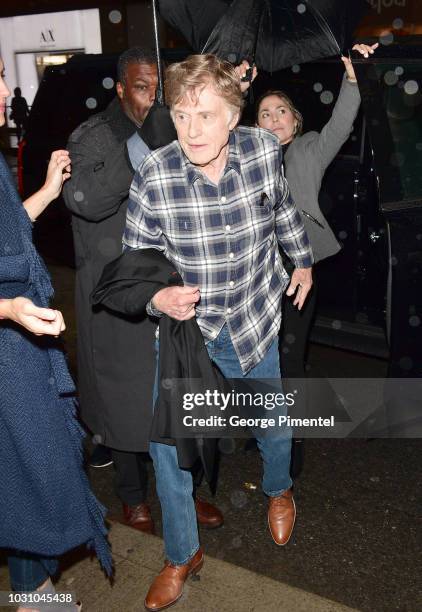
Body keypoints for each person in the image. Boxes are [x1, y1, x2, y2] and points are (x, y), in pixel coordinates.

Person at [123, 53, 313, 611]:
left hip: (254, 320)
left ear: (234, 115)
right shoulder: (156, 174)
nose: (192, 130)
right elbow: (135, 265)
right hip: (190, 336)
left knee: (273, 427)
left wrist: (301, 261)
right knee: (168, 450)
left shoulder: (262, 151)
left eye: (205, 115)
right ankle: (182, 553)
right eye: (181, 116)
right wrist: (156, 295)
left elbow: (281, 211)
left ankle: (280, 491)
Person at [63, 47, 223, 533]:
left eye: (159, 88)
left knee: (173, 394)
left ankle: (183, 494)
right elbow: (84, 200)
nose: (152, 97)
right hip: (114, 291)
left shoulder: (179, 131)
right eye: (141, 86)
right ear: (119, 89)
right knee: (122, 400)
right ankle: (133, 495)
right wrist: (141, 145)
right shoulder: (94, 136)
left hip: (164, 285)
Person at [0, 58, 111, 611]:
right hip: (6, 340)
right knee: (23, 470)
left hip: (14, 348)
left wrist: (45, 190)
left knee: (28, 467)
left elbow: (6, 236)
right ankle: (33, 590)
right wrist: (8, 308)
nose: (5, 90)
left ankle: (33, 586)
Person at [255, 43, 378, 391]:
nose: (274, 118)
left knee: (289, 353)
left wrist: (352, 80)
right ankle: (260, 429)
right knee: (255, 353)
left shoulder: (309, 149)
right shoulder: (245, 158)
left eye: (281, 111)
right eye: (265, 113)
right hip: (253, 268)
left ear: (295, 121)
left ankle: (292, 439)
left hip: (296, 267)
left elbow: (339, 127)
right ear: (255, 124)